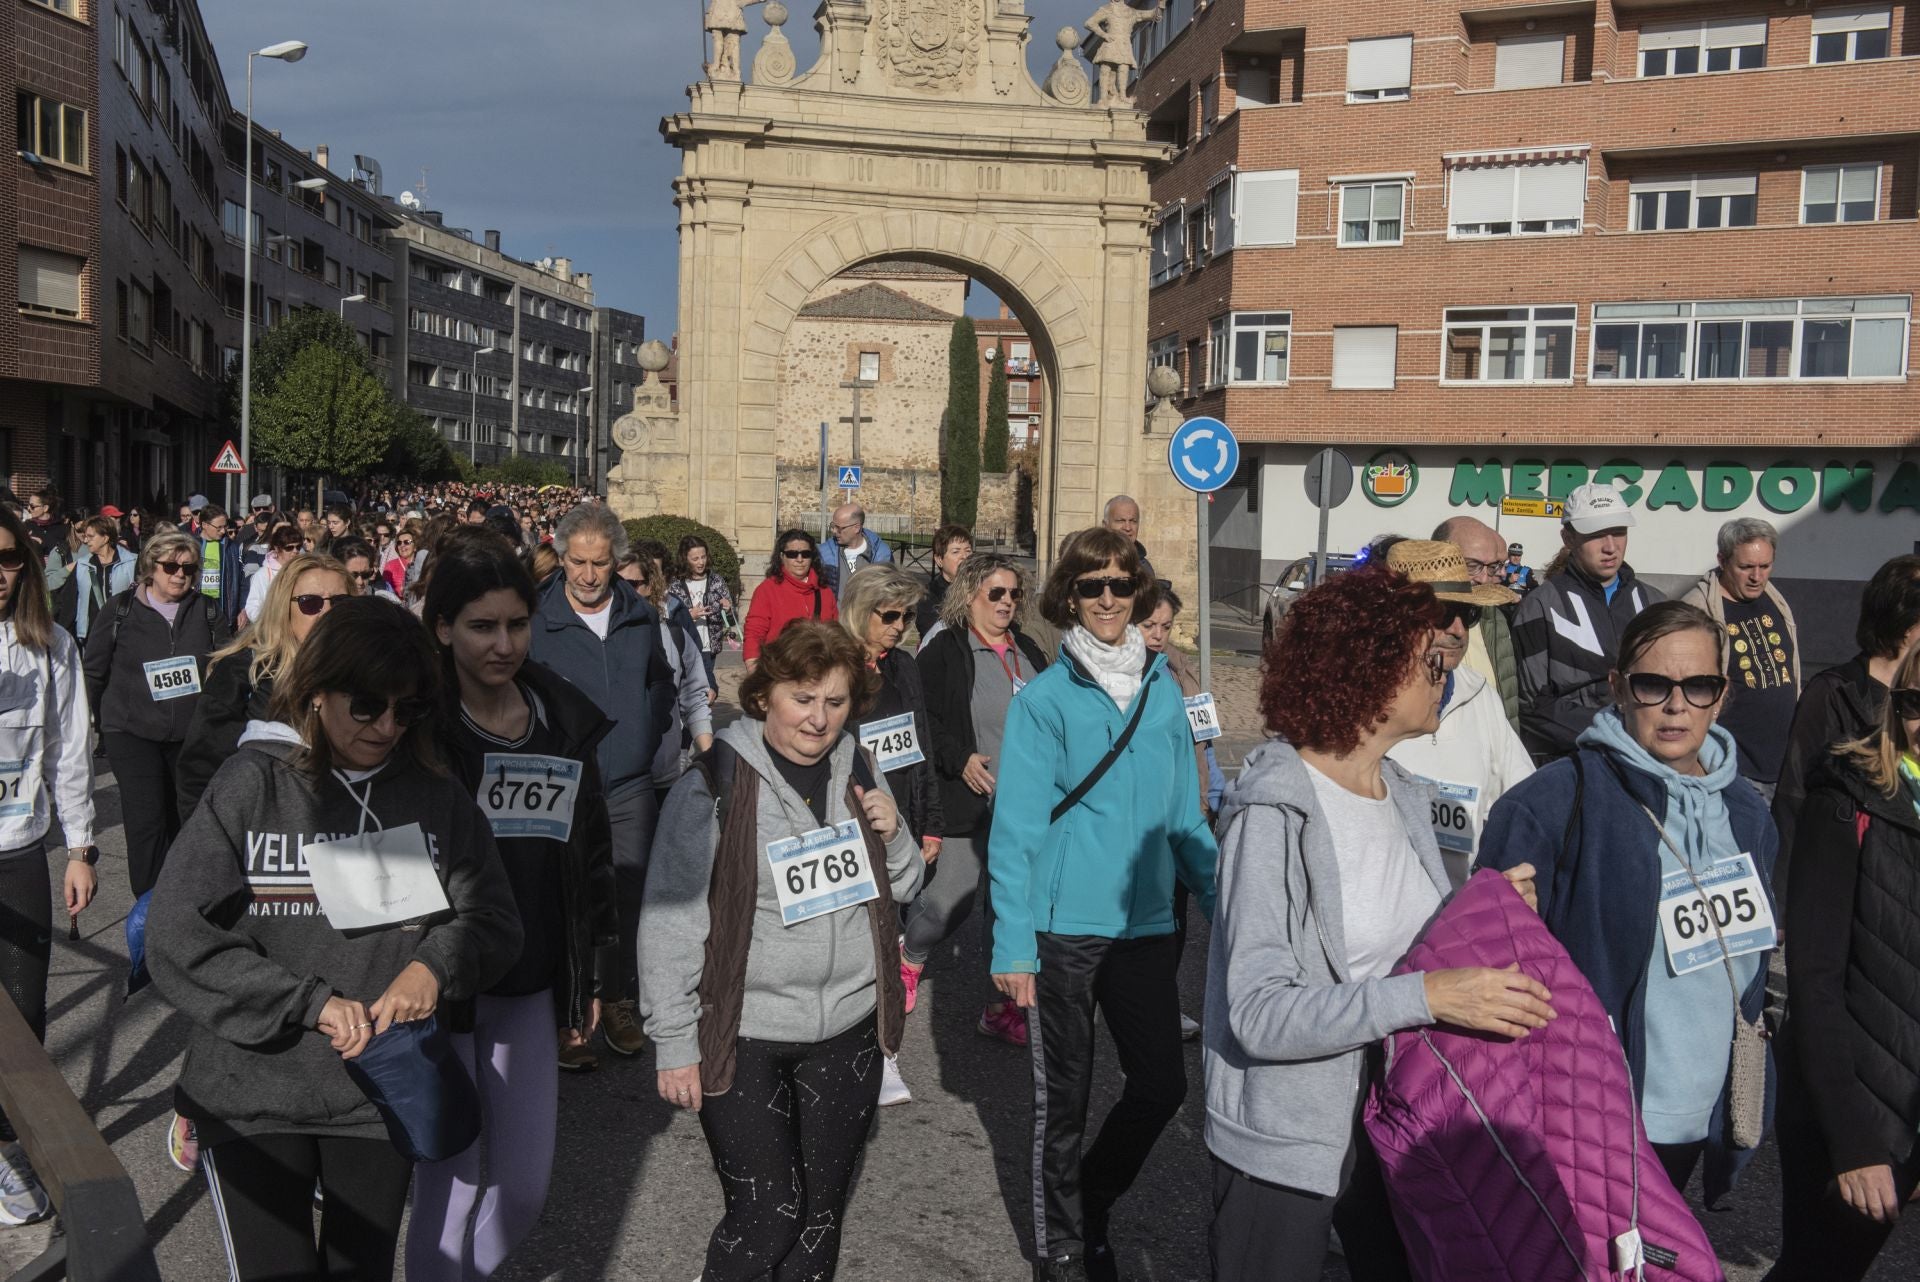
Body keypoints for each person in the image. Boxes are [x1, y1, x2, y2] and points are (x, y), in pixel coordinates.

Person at [146, 598, 523, 1282]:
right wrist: (307, 1002)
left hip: (376, 1097)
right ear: (316, 693)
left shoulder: (435, 794)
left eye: (407, 710)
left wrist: (433, 968)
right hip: (249, 1092)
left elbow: (495, 919)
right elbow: (176, 934)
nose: (386, 726)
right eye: (366, 705)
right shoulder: (252, 784)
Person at [1206, 565, 1549, 1282]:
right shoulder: (1272, 814)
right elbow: (1260, 1015)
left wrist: (1480, 909)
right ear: (1372, 668)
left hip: (1399, 1120)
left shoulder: (1406, 798)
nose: (1444, 675)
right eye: (1432, 659)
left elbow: (1398, 949)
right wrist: (1433, 996)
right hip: (1286, 1140)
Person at [640, 621, 923, 1281]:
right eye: (803, 697)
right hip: (746, 1030)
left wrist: (896, 831)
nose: (818, 719)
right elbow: (670, 922)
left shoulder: (858, 765)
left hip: (847, 1026)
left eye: (835, 701)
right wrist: (675, 1039)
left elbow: (905, 885)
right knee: (768, 1213)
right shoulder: (712, 784)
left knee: (821, 1216)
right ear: (766, 694)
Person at [1482, 601, 1777, 1199]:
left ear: (1721, 696)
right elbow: (1490, 959)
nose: (1676, 705)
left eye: (1698, 686)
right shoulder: (1554, 800)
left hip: (1702, 1110)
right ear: (1617, 688)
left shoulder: (1746, 812)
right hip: (1590, 1108)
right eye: (1653, 684)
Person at [985, 527, 1216, 1282]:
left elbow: (1186, 820)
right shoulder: (1045, 700)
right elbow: (1016, 830)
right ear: (1069, 598)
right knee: (1066, 1101)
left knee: (1162, 1084)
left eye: (1122, 584)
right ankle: (1061, 1249)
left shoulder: (1163, 691)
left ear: (1140, 591)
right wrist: (1012, 944)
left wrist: (1232, 905)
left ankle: (1092, 1200)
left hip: (1147, 924)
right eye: (1093, 587)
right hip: (1064, 932)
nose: (1109, 598)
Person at [409, 532, 618, 1277]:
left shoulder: (560, 718)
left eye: (517, 624)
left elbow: (591, 853)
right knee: (453, 1187)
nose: (503, 643)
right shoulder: (416, 728)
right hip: (442, 987)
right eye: (482, 626)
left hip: (531, 981)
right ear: (442, 627)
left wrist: (592, 975)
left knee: (525, 1190)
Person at [1764, 648, 1920, 1281]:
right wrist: (1853, 1140)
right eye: (1913, 704)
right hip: (1855, 1106)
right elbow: (1813, 976)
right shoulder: (1849, 798)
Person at [529, 505, 675, 1059]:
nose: (588, 576)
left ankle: (615, 998)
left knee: (627, 893)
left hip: (629, 783)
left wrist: (649, 723)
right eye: (577, 562)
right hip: (558, 778)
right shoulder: (536, 617)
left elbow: (662, 679)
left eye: (599, 563)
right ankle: (570, 1012)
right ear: (561, 556)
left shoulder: (640, 615)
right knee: (566, 894)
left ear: (616, 560)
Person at [0, 506, 96, 1227]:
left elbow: (68, 753)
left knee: (23, 1016)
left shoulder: (50, 643)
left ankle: (10, 1150)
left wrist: (81, 849)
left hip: (19, 851)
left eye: (7, 558)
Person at [913, 553, 1048, 1047]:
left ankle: (998, 1007)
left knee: (1011, 911)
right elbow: (925, 718)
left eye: (1014, 593)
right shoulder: (946, 649)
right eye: (996, 593)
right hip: (968, 803)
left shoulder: (1029, 649)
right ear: (969, 594)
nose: (1007, 602)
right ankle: (907, 956)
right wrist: (961, 757)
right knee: (949, 904)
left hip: (1025, 805)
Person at [836, 563, 942, 1105]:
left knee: (885, 936)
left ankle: (884, 1054)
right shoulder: (830, 661)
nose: (900, 626)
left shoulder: (904, 666)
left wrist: (930, 825)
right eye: (890, 615)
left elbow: (920, 744)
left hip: (896, 824)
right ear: (860, 610)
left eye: (908, 616)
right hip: (841, 820)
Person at [82, 530, 229, 906]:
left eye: (188, 568)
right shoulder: (119, 610)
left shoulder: (209, 611)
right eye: (170, 566)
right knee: (147, 822)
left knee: (189, 819)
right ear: (151, 566)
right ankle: (149, 909)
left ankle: (185, 903)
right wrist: (90, 726)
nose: (179, 574)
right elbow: (94, 673)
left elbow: (228, 671)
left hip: (190, 737)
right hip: (132, 734)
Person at [1382, 540, 1533, 887]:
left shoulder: (1479, 694)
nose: (1458, 630)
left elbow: (1524, 802)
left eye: (1468, 615)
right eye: (1441, 615)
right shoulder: (1356, 707)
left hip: (1459, 920)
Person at [176, 554, 355, 822]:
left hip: (347, 829)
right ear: (284, 607)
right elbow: (200, 771)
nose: (327, 613)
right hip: (266, 831)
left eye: (340, 602)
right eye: (311, 603)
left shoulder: (368, 672)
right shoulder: (245, 670)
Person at [1773, 554, 1920, 877]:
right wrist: (1784, 903)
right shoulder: (1833, 692)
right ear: (1904, 623)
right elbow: (1793, 795)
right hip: (1846, 872)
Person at [1511, 482, 1664, 762]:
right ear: (1568, 539)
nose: (1610, 547)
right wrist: (1616, 734)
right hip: (1572, 763)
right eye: (1595, 534)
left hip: (1649, 762)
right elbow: (1532, 703)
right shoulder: (1540, 606)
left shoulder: (1655, 604)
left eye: (1619, 532)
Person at [1137, 585, 1223, 1043]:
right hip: (1148, 818)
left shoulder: (1182, 672)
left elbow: (1203, 743)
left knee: (1178, 914)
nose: (1157, 634)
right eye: (1149, 624)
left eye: (1165, 626)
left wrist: (1212, 796)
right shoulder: (1128, 676)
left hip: (1190, 811)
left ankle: (1162, 1001)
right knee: (1149, 916)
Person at [1679, 518, 1801, 803]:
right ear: (1722, 560)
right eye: (1746, 567)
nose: (1757, 576)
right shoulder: (1697, 610)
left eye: (1765, 566)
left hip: (1781, 765)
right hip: (1733, 769)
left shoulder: (1774, 598)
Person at [616, 547, 715, 806]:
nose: (623, 592)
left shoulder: (674, 635)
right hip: (615, 780)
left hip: (664, 775)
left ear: (651, 587)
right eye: (616, 584)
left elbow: (694, 698)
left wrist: (710, 757)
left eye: (632, 584)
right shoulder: (599, 638)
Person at [1432, 516, 1522, 731]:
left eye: (1492, 567)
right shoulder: (1416, 619)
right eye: (1473, 566)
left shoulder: (1495, 618)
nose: (1484, 578)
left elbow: (1507, 696)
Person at [743, 528, 838, 666]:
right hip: (781, 671)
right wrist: (753, 670)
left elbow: (835, 632)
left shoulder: (824, 591)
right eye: (792, 554)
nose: (800, 559)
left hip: (819, 671)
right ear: (782, 556)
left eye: (805, 554)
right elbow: (754, 632)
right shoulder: (767, 590)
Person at [665, 534, 734, 691]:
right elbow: (667, 616)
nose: (701, 562)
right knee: (687, 686)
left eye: (703, 557)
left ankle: (704, 713)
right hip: (684, 644)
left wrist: (728, 609)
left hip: (709, 646)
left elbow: (730, 618)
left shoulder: (716, 580)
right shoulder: (675, 584)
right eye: (695, 559)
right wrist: (688, 617)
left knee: (706, 687)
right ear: (685, 559)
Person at [72, 515, 137, 646]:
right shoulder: (82, 565)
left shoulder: (132, 562)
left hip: (124, 634)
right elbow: (70, 601)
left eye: (91, 536)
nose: (86, 540)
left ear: (105, 538)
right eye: (85, 536)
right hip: (91, 635)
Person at [239, 523, 307, 630]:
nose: (295, 551)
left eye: (298, 547)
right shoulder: (263, 574)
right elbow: (252, 607)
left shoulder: (304, 572)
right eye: (289, 548)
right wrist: (269, 624)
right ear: (277, 548)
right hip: (271, 633)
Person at [816, 503, 894, 596]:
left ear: (856, 528)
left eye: (839, 528)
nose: (834, 531)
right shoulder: (823, 552)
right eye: (833, 526)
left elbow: (890, 592)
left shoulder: (882, 554)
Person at [916, 523, 972, 638]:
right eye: (956, 552)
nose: (964, 556)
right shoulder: (928, 595)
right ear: (939, 560)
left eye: (968, 551)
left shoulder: (983, 588)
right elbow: (932, 633)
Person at [195, 505, 245, 624]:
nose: (223, 531)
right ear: (204, 525)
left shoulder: (232, 547)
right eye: (219, 528)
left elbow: (242, 581)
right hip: (198, 606)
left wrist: (242, 608)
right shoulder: (192, 545)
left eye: (225, 527)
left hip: (224, 608)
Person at [1101, 495, 1155, 584]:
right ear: (1105, 525)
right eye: (1120, 521)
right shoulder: (1092, 560)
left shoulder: (1145, 567)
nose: (1128, 527)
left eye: (1133, 521)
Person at [330, 537, 401, 604]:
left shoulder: (385, 602)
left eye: (366, 575)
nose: (360, 582)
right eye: (353, 575)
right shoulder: (324, 605)